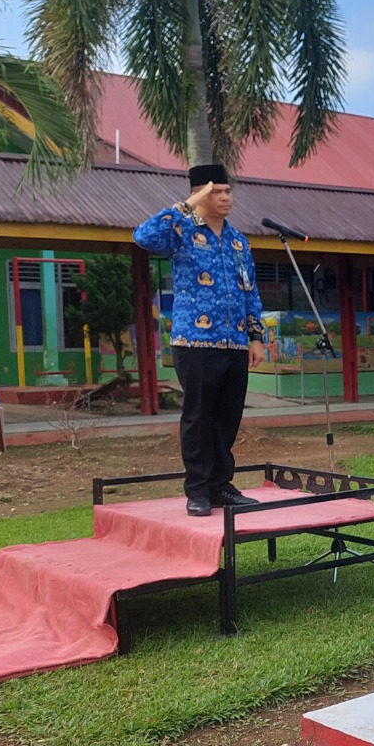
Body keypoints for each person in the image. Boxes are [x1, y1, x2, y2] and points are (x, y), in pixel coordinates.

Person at [134, 165, 268, 516]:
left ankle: (221, 486)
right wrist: (187, 204)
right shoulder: (181, 231)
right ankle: (197, 490)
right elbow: (143, 236)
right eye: (216, 192)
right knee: (198, 417)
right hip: (195, 342)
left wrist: (256, 336)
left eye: (227, 191)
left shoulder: (239, 241)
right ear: (200, 195)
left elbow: (249, 290)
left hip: (235, 344)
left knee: (227, 417)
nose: (225, 198)